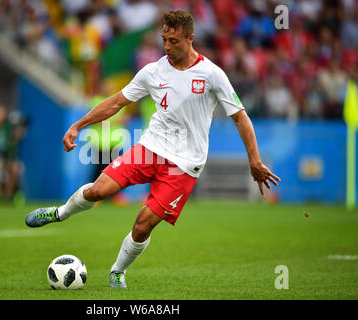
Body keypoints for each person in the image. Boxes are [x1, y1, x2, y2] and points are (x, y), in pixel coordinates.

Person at [25, 9, 281, 288]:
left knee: (142, 225)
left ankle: (117, 272)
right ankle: (59, 213)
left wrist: (254, 161)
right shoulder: (152, 71)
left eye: (174, 41)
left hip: (184, 165)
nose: (168, 47)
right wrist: (79, 125)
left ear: (190, 38)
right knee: (99, 190)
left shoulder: (212, 74)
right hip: (150, 148)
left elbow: (241, 117)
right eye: (164, 40)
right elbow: (116, 103)